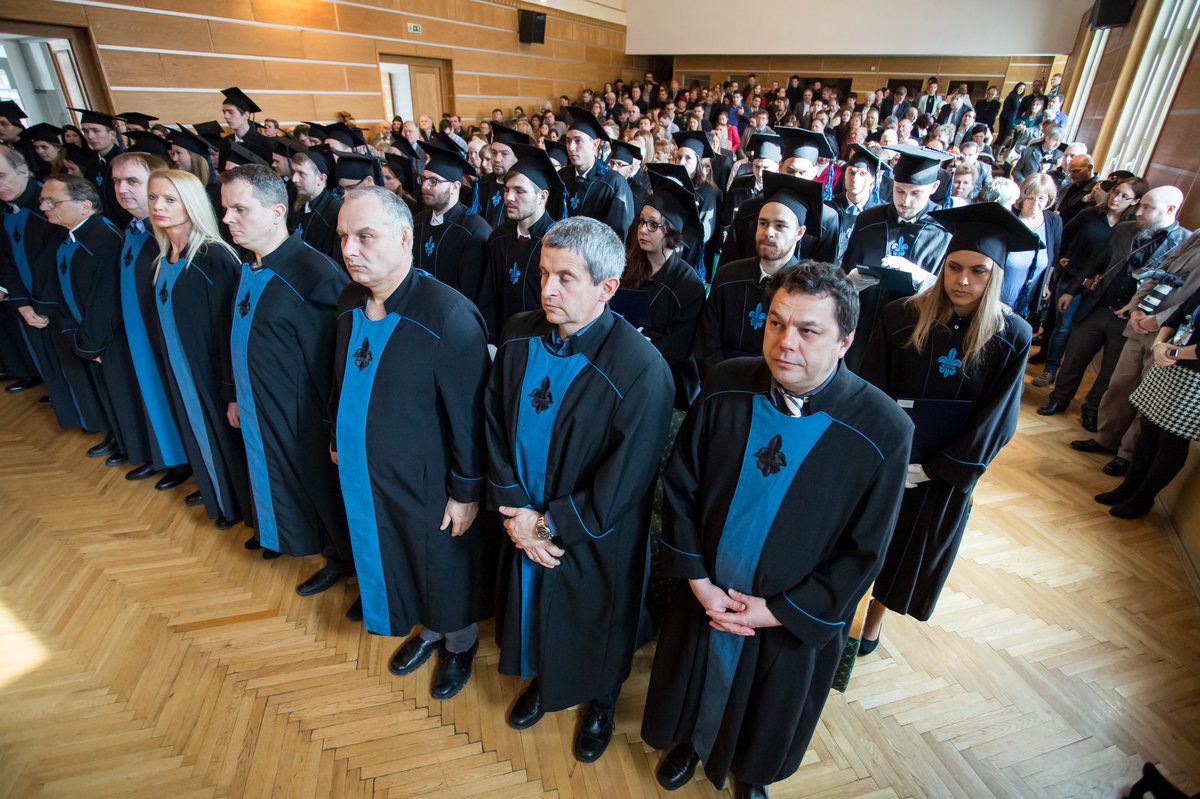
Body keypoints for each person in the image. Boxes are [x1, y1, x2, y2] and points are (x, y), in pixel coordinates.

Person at [642, 261, 912, 799]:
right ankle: (690, 743)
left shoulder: (884, 429)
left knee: (770, 708)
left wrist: (778, 611)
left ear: (845, 341)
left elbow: (864, 550)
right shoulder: (725, 384)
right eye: (776, 323)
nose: (786, 343)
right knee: (691, 677)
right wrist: (699, 582)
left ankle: (752, 773)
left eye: (809, 330)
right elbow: (682, 486)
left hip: (786, 613)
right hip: (709, 596)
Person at [485, 216, 673, 763]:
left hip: (594, 532)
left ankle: (601, 701)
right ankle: (545, 680)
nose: (547, 289)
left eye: (565, 278)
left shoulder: (641, 369)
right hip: (522, 516)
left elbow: (625, 480)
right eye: (544, 273)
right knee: (536, 606)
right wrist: (516, 510)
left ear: (607, 288)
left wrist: (548, 526)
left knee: (596, 618)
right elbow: (492, 420)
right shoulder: (519, 333)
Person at [331, 185, 495, 697]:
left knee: (442, 563)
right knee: (397, 553)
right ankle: (427, 629)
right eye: (343, 237)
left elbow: (470, 419)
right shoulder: (350, 300)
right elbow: (338, 378)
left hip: (430, 480)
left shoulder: (449, 316)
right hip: (369, 471)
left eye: (365, 236)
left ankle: (459, 642)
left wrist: (466, 491)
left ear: (405, 239)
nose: (350, 249)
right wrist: (337, 434)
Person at [858, 202, 1036, 652]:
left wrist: (936, 469)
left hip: (944, 474)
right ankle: (838, 610)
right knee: (858, 536)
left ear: (994, 276)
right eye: (955, 267)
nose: (963, 281)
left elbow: (997, 420)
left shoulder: (1010, 336)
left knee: (908, 551)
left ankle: (874, 621)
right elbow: (873, 390)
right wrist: (887, 457)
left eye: (978, 272)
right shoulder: (900, 316)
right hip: (887, 461)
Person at [219, 163, 355, 582]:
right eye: (225, 209)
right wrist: (234, 393)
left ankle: (341, 561)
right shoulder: (251, 264)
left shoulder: (314, 274)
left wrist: (332, 427)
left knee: (319, 489)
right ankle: (283, 532)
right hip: (260, 403)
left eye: (240, 209)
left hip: (302, 415)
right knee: (275, 476)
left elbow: (332, 362)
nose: (227, 218)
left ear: (277, 212)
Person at [148, 168, 251, 529]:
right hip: (180, 369)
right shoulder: (163, 258)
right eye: (153, 198)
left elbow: (231, 330)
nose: (158, 207)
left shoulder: (214, 257)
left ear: (191, 203)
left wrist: (231, 391)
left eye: (169, 199)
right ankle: (218, 496)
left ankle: (239, 507)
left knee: (225, 439)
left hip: (212, 374)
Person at [1039, 187, 1188, 431]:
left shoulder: (1183, 241)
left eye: (1147, 207)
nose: (1138, 212)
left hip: (1132, 319)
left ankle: (1091, 411)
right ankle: (1058, 399)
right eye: (1140, 205)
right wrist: (1071, 291)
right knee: (1074, 358)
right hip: (1097, 306)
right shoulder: (1123, 229)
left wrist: (1142, 312)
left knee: (1110, 371)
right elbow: (1096, 261)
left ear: (1170, 209)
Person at [1073, 231, 1200, 476]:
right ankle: (1105, 439)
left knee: (1145, 398)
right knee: (1119, 385)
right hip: (1140, 323)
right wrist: (1136, 308)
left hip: (1171, 337)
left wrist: (1159, 321)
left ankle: (1126, 454)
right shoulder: (1195, 236)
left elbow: (1192, 301)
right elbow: (1159, 270)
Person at [695, 173, 823, 377]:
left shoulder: (808, 291)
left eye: (780, 226)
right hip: (720, 382)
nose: (768, 232)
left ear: (799, 232)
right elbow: (707, 342)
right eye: (763, 223)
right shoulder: (727, 277)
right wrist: (722, 381)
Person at [841, 145, 953, 371]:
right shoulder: (868, 220)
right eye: (900, 191)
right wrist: (849, 283)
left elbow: (950, 293)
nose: (906, 201)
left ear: (934, 187)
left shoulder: (945, 231)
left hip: (913, 332)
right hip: (864, 328)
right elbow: (846, 270)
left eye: (916, 193)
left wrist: (924, 280)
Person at [1094, 282, 1200, 518]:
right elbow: (1177, 316)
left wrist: (1170, 352)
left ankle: (1143, 499)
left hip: (1194, 379)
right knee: (1148, 430)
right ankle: (1128, 487)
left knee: (1171, 441)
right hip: (1170, 366)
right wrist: (1159, 345)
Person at [1031, 176, 1147, 387]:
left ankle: (1065, 372)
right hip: (1072, 278)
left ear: (1136, 201)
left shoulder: (1131, 228)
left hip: (1100, 288)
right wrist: (1063, 257)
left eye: (1124, 196)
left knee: (1079, 331)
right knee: (1062, 326)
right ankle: (1050, 369)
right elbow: (1063, 237)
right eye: (1115, 192)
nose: (1116, 198)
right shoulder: (1091, 214)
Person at [40, 175, 122, 456]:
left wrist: (92, 344)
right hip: (85, 336)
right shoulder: (69, 239)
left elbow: (106, 301)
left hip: (106, 340)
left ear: (85, 206)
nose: (44, 207)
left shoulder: (105, 239)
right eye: (43, 200)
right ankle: (117, 434)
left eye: (53, 201)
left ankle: (125, 440)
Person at [619, 172, 706, 409]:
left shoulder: (688, 285)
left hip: (666, 383)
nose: (643, 230)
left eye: (653, 225)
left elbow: (678, 349)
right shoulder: (626, 267)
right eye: (641, 221)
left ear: (672, 231)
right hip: (620, 370)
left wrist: (637, 345)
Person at [487, 143, 565, 338]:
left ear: (542, 197)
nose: (509, 197)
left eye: (519, 191)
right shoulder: (498, 238)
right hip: (503, 340)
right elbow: (488, 296)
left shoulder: (559, 243)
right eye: (506, 190)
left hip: (544, 341)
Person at [0, 144, 57, 398]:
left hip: (56, 306)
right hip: (29, 304)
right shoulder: (5, 211)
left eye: (2, 175)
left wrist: (43, 304)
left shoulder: (49, 207)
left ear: (22, 170)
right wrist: (22, 303)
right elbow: (6, 263)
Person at [409, 142, 492, 311]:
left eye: (434, 181)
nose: (424, 186)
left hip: (454, 315)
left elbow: (473, 291)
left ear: (455, 187)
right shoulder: (416, 222)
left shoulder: (475, 230)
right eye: (423, 179)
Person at [559, 106, 634, 239]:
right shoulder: (561, 177)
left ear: (594, 144)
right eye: (568, 141)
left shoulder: (613, 182)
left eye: (578, 141)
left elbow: (617, 234)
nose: (571, 147)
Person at [1000, 174, 1061, 319]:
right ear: (1022, 197)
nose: (1035, 204)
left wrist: (1046, 283)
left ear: (1049, 199)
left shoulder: (1054, 221)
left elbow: (1053, 257)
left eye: (1041, 198)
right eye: (1030, 198)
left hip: (1026, 303)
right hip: (998, 299)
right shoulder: (1009, 216)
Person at [73, 108, 132, 228]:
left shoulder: (126, 162)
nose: (90, 136)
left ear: (112, 135)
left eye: (96, 131)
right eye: (85, 131)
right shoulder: (92, 162)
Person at [831, 143, 885, 263]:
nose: (854, 179)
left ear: (872, 178)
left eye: (862, 174)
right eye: (851, 172)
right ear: (845, 174)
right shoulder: (830, 208)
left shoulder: (881, 214)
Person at [289, 150, 343, 266]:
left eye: (301, 173)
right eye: (293, 172)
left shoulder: (334, 213)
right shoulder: (297, 199)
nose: (294, 179)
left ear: (321, 179)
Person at [476, 123, 531, 229]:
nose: (497, 159)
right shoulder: (481, 183)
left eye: (504, 154)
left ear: (516, 157)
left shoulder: (523, 189)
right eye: (493, 152)